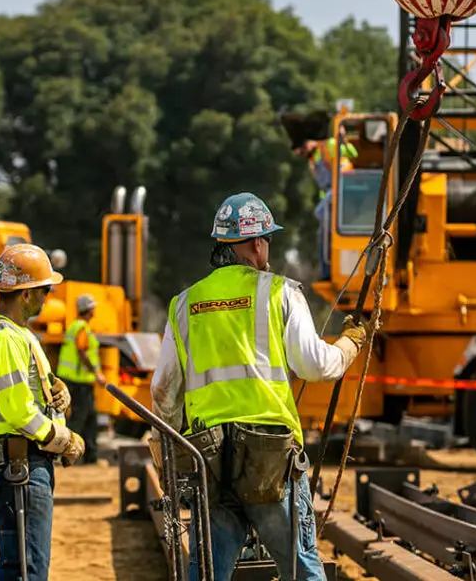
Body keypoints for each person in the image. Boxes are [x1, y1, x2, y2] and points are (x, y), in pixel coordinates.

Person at [150, 192, 368, 581]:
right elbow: (316, 365)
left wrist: (165, 448)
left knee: (206, 573)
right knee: (302, 571)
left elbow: (164, 390)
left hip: (210, 462)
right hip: (271, 462)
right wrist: (350, 343)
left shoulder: (185, 304)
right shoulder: (279, 291)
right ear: (257, 242)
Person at [0, 243, 86, 581]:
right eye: (44, 290)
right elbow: (18, 412)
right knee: (29, 569)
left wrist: (59, 393)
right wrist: (65, 439)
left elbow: (36, 391)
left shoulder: (19, 335)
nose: (48, 296)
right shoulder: (4, 339)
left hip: (24, 465)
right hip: (21, 468)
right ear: (25, 295)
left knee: (23, 567)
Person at [298, 125, 358, 280]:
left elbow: (353, 153)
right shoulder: (312, 160)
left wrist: (342, 140)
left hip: (347, 187)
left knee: (320, 214)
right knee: (324, 233)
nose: (301, 151)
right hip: (332, 198)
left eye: (303, 145)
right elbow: (323, 188)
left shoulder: (329, 145)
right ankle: (328, 271)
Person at [56, 293, 106, 464]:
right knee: (79, 418)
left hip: (79, 380)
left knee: (90, 417)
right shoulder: (81, 328)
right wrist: (96, 373)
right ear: (90, 310)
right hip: (79, 381)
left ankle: (91, 456)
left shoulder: (75, 326)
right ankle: (69, 455)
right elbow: (82, 352)